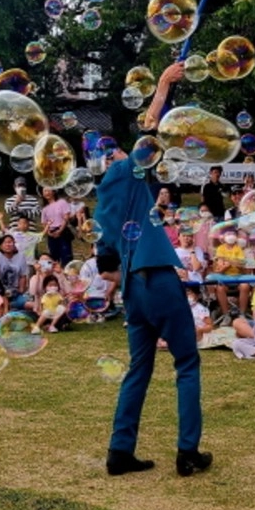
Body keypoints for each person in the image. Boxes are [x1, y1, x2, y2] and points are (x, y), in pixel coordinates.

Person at [94, 140, 211, 478]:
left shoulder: (102, 207)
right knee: (186, 363)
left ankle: (120, 452)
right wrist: (162, 89)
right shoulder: (127, 176)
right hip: (159, 280)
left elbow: (105, 267)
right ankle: (188, 451)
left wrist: (133, 274)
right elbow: (148, 142)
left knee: (139, 369)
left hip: (133, 289)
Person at [0, 234, 29, 310]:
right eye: (5, 242)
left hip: (15, 291)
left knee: (26, 303)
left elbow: (22, 276)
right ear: (1, 245)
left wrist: (21, 290)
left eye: (10, 242)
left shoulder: (21, 256)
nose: (8, 245)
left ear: (14, 244)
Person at [40, 187, 73, 265]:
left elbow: (66, 216)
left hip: (63, 231)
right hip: (51, 233)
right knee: (54, 257)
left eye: (48, 190)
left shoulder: (62, 202)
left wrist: (60, 230)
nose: (46, 193)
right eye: (44, 191)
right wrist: (49, 232)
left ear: (53, 191)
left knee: (66, 256)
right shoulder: (45, 208)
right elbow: (44, 223)